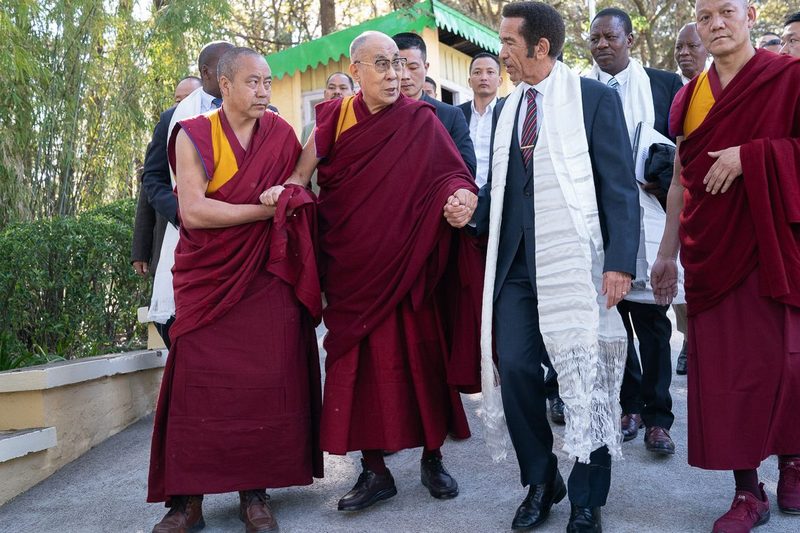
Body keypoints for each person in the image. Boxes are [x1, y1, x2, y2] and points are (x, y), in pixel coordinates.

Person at [262, 30, 483, 513]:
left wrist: (459, 195)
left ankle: (432, 457)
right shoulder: (333, 118)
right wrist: (288, 194)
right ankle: (374, 469)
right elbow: (302, 175)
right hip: (352, 264)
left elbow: (451, 173)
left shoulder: (421, 119)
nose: (394, 75)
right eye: (381, 65)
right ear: (356, 70)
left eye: (399, 65)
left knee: (420, 359)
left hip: (408, 261)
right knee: (358, 367)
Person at [445, 3, 639, 531]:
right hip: (513, 267)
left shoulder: (593, 100)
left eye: (509, 43)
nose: (500, 52)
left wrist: (621, 263)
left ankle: (586, 498)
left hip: (578, 263)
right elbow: (501, 192)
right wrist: (471, 208)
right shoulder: (508, 109)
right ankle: (540, 478)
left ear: (541, 48)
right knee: (513, 369)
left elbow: (619, 186)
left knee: (585, 373)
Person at [147, 47, 323, 533]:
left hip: (265, 277)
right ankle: (186, 502)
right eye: (253, 82)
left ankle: (255, 492)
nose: (264, 91)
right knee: (195, 388)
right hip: (212, 279)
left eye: (268, 82)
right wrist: (267, 211)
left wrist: (288, 193)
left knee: (263, 386)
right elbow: (195, 212)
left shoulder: (281, 134)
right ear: (224, 85)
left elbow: (298, 187)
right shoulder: (193, 134)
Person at [652, 0, 800, 531]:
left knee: (784, 362)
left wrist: (753, 155)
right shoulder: (689, 96)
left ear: (752, 15)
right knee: (725, 374)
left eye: (726, 11)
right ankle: (746, 491)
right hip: (711, 251)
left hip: (773, 246)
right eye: (705, 14)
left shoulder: (790, 77)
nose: (716, 23)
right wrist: (666, 253)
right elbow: (680, 180)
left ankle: (792, 463)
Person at [587, 7, 683, 454]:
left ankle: (658, 418)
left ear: (630, 41)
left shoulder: (665, 85)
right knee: (613, 320)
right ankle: (628, 406)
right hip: (602, 220)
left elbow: (688, 151)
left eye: (610, 37)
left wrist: (659, 179)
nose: (602, 44)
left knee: (654, 324)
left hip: (651, 217)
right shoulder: (580, 90)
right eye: (594, 39)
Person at [142, 41, 234, 348]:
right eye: (225, 68)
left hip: (244, 234)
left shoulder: (264, 111)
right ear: (206, 73)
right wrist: (183, 212)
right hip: (188, 234)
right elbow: (153, 178)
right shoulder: (173, 118)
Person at [132, 77, 202, 283]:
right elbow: (148, 194)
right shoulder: (164, 135)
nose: (181, 106)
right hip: (169, 235)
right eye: (177, 100)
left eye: (188, 99)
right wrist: (140, 250)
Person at [393, 32, 477, 176]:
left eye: (413, 67)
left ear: (426, 67)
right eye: (398, 67)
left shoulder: (450, 115)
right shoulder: (378, 111)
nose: (405, 76)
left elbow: (467, 168)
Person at [458, 53, 503, 188]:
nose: (484, 77)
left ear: (500, 80)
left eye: (490, 72)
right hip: (462, 194)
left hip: (498, 192)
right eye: (477, 72)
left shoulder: (508, 112)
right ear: (469, 81)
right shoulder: (457, 114)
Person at [301, 72, 355, 144]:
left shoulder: (360, 125)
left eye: (343, 88)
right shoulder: (308, 130)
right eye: (332, 88)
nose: (337, 91)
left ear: (353, 94)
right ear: (325, 94)